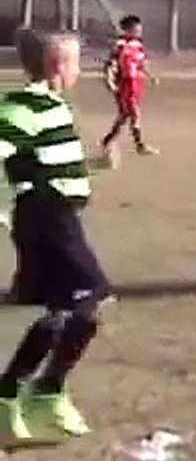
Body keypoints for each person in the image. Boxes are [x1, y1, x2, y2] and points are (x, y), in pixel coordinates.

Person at [0, 30, 111, 446]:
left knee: (63, 309)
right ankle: (42, 391)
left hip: (58, 216)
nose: (79, 71)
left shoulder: (50, 106)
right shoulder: (21, 108)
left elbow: (53, 161)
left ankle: (14, 393)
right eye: (76, 63)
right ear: (56, 67)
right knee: (89, 297)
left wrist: (92, 169)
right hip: (45, 217)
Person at [100, 14, 159, 167]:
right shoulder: (120, 45)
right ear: (127, 29)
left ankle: (107, 141)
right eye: (136, 29)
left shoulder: (138, 45)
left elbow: (141, 63)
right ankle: (140, 145)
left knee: (125, 116)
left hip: (136, 83)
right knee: (134, 113)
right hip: (124, 84)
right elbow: (110, 64)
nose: (139, 31)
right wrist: (110, 81)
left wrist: (150, 76)